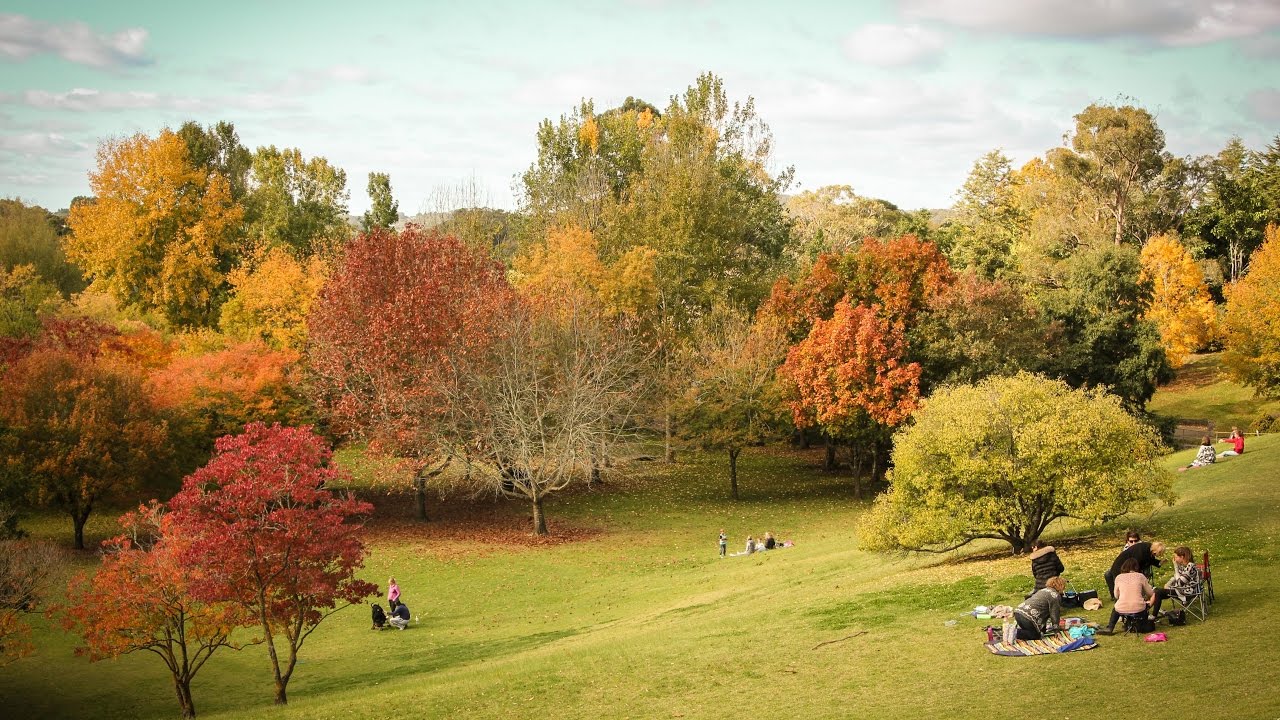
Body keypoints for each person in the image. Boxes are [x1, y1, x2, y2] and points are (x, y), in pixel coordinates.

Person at [1099, 558, 1153, 634]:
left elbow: (1116, 595)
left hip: (1121, 608)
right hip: (1139, 608)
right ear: (1136, 567)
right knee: (1142, 605)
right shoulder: (1140, 576)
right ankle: (1141, 623)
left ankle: (1110, 627)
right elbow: (1150, 593)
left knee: (1116, 607)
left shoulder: (1118, 577)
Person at [1150, 546, 1202, 618]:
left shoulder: (1190, 567)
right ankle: (1153, 613)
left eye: (1176, 557)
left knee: (1158, 592)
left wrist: (1175, 567)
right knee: (1157, 591)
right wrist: (1168, 584)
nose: (1175, 559)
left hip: (1186, 593)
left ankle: (1152, 615)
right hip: (1182, 590)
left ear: (1182, 557)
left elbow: (1179, 582)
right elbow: (1176, 577)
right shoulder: (1185, 566)